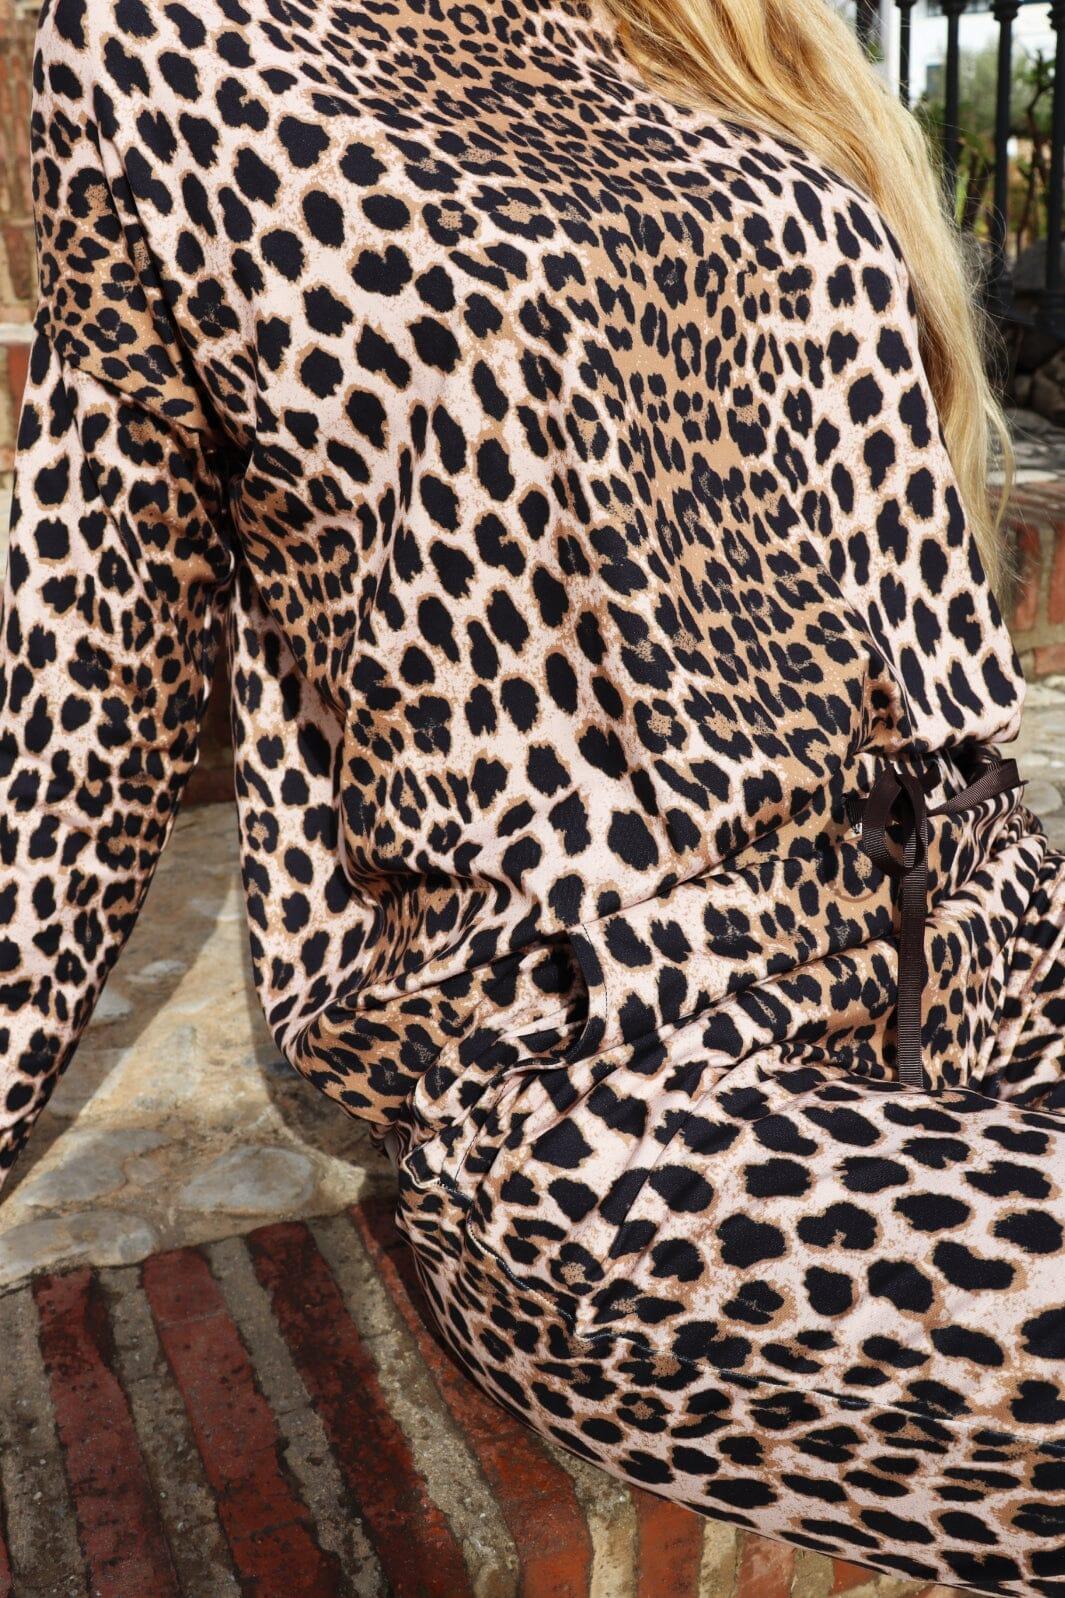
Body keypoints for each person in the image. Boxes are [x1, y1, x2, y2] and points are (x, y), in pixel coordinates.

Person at [2, 0, 1063, 1589]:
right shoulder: (167, 47)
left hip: (983, 922)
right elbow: (93, 668)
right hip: (626, 1077)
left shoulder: (685, 32)